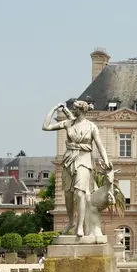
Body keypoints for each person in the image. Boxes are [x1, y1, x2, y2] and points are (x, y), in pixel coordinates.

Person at [42, 100, 112, 236]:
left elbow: (99, 145)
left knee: (80, 193)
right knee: (68, 195)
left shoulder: (91, 127)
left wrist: (106, 160)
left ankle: (79, 227)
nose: (73, 110)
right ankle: (71, 221)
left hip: (84, 160)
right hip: (69, 160)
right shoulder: (69, 123)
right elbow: (45, 127)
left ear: (81, 110)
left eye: (75, 109)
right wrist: (54, 108)